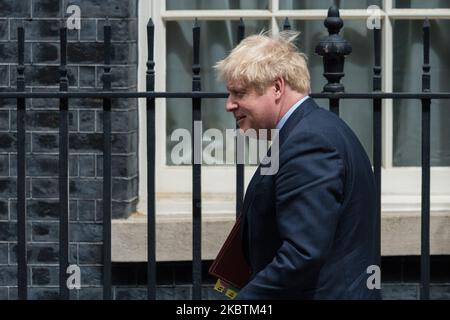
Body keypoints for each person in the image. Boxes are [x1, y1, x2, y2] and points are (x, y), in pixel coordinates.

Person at [214, 31, 381, 299]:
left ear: (277, 87)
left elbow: (302, 254)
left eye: (239, 93)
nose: (229, 105)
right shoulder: (310, 131)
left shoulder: (309, 143)